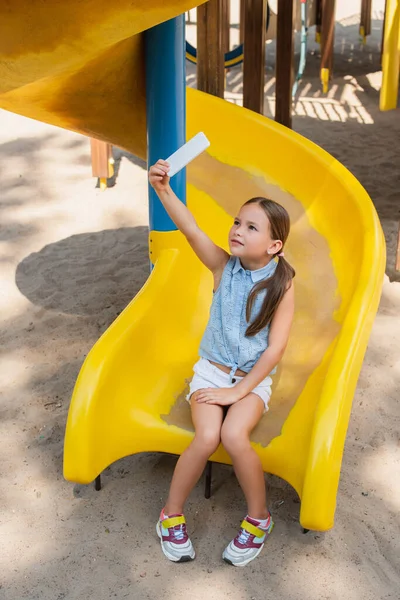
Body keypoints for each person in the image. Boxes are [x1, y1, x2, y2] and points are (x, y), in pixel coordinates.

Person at [148, 159, 295, 567]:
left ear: (274, 246)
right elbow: (191, 227)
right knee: (208, 436)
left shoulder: (282, 286)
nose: (237, 230)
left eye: (251, 227)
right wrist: (163, 190)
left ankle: (258, 520)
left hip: (250, 379)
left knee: (235, 436)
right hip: (212, 371)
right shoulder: (222, 267)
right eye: (236, 222)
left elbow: (274, 350)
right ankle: (170, 516)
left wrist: (239, 391)